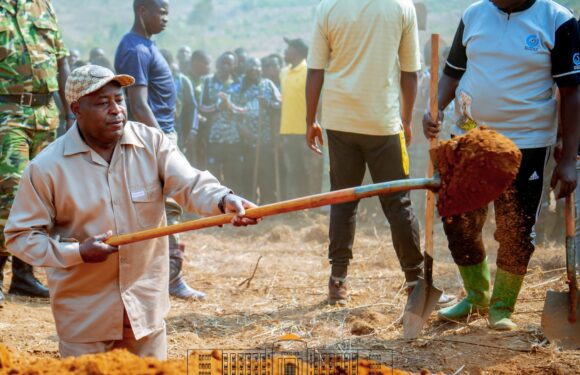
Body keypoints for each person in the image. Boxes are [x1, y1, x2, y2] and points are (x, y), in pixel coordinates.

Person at [4, 65, 259, 359]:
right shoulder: (47, 167)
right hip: (84, 321)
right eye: (102, 103)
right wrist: (76, 252)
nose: (116, 110)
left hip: (144, 314)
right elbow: (20, 237)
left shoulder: (151, 143)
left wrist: (223, 199)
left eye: (119, 100)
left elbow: (190, 184)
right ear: (77, 109)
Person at [423, 0, 579, 330]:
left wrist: (568, 160)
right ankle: (476, 296)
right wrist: (434, 107)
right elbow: (452, 73)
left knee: (516, 228)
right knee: (458, 220)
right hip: (469, 138)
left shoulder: (557, 20)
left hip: (528, 144)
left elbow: (572, 91)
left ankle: (502, 306)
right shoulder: (473, 15)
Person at [306, 0, 455, 306]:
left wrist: (310, 120)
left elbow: (315, 70)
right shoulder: (402, 7)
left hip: (340, 122)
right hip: (383, 124)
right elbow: (410, 72)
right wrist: (405, 118)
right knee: (398, 202)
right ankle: (415, 281)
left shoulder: (328, 6)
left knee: (343, 200)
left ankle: (338, 281)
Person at [114, 0, 201, 300]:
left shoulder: (145, 46)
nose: (166, 18)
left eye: (167, 12)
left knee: (163, 206)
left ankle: (161, 276)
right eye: (160, 12)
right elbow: (138, 104)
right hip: (154, 137)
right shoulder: (135, 49)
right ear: (142, 12)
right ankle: (171, 279)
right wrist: (161, 143)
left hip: (161, 134)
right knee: (170, 205)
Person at [0, 0, 74, 303]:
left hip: (46, 114)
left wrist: (72, 113)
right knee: (11, 195)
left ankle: (24, 275)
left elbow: (61, 60)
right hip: (7, 115)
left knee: (42, 197)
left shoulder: (43, 6)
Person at [228, 58, 282, 203]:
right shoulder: (238, 87)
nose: (254, 71)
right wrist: (242, 130)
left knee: (267, 175)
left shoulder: (268, 84)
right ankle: (249, 205)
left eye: (257, 68)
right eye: (251, 68)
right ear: (245, 70)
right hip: (246, 140)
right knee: (248, 175)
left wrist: (269, 103)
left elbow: (280, 104)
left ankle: (268, 204)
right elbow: (232, 111)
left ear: (261, 69)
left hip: (266, 140)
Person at [280, 37, 320, 199]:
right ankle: (297, 205)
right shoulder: (283, 73)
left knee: (310, 170)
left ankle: (314, 205)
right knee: (293, 171)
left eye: (288, 48)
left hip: (307, 131)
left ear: (296, 51)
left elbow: (319, 101)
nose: (284, 52)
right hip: (288, 131)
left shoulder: (309, 72)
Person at [199, 52, 242, 188]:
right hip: (214, 139)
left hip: (234, 140)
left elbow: (246, 109)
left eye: (229, 63)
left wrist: (231, 107)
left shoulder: (239, 83)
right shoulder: (207, 81)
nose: (225, 66)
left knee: (232, 177)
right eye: (222, 62)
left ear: (234, 66)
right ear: (217, 64)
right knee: (214, 178)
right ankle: (216, 207)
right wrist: (217, 107)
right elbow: (200, 107)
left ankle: (233, 207)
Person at [190, 49, 213, 169]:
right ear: (196, 62)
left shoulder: (209, 81)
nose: (209, 67)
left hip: (205, 127)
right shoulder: (186, 80)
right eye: (206, 63)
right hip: (190, 127)